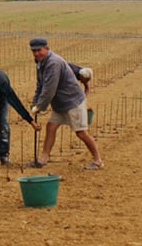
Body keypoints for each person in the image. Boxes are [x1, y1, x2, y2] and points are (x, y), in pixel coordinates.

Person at [28, 38, 104, 170]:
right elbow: (40, 84)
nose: (36, 54)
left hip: (72, 101)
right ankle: (43, 159)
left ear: (47, 48)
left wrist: (40, 106)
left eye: (39, 50)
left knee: (81, 132)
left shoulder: (53, 63)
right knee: (51, 127)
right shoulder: (40, 63)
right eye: (33, 51)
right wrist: (36, 101)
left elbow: (49, 88)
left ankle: (98, 161)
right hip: (60, 103)